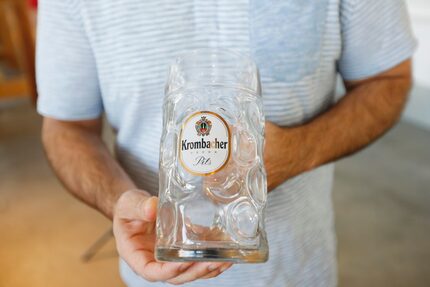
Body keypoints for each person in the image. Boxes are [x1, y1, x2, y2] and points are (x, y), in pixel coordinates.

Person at [36, 0, 415, 286]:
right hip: (158, 265)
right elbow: (66, 126)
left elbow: (388, 81)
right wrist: (117, 199)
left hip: (298, 267)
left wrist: (301, 151)